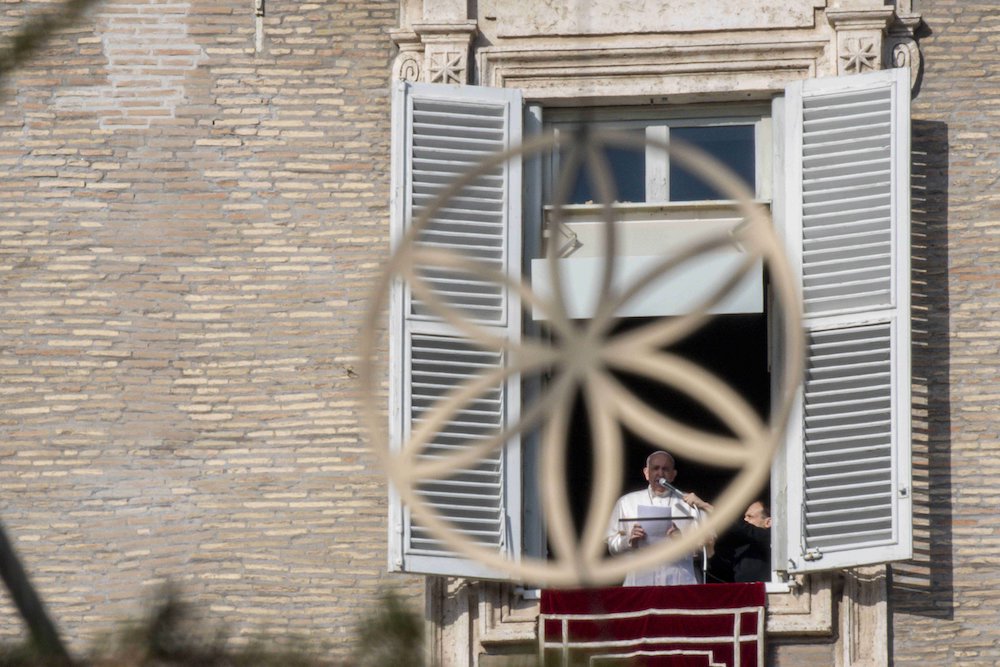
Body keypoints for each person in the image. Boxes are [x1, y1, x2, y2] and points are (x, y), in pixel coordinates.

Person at [605, 451, 707, 586]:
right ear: (646, 473)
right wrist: (629, 541)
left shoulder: (689, 504)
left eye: (665, 469)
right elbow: (612, 545)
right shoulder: (626, 502)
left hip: (680, 580)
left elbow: (706, 549)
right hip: (640, 581)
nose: (660, 473)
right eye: (655, 468)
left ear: (673, 475)